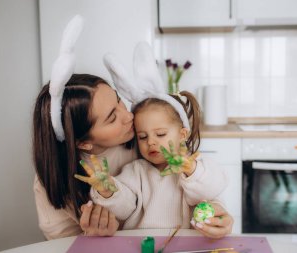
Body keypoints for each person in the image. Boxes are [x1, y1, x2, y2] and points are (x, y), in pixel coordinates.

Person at [32, 16, 233, 240]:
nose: (129, 115)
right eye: (111, 118)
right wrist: (105, 193)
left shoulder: (150, 144)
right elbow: (123, 203)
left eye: (119, 100)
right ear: (83, 142)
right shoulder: (134, 168)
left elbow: (209, 189)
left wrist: (218, 211)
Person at [76, 90, 228, 231]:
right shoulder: (136, 170)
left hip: (184, 242)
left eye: (160, 134)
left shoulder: (197, 165)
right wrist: (107, 189)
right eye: (143, 137)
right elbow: (124, 209)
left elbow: (211, 189)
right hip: (142, 243)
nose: (151, 142)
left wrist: (190, 169)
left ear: (182, 135)